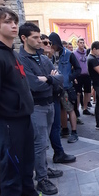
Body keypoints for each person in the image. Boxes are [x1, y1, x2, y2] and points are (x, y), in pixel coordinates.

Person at [0, 6, 57, 196]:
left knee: (25, 164)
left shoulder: (11, 52)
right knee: (11, 168)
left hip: (23, 118)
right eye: (6, 22)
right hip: (8, 122)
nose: (13, 25)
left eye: (14, 21)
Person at [18, 23, 64, 195]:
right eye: (35, 38)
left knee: (44, 142)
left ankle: (43, 169)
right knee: (40, 143)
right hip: (36, 106)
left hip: (50, 103)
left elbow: (60, 77)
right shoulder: (21, 59)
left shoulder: (43, 58)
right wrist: (49, 79)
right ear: (24, 38)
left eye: (40, 37)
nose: (40, 41)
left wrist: (48, 79)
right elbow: (33, 84)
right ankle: (42, 179)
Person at [40, 34, 76, 164]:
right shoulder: (38, 60)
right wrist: (52, 78)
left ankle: (58, 153)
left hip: (56, 94)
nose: (48, 45)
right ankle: (43, 164)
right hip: (44, 99)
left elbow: (59, 77)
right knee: (44, 131)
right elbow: (38, 81)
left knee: (55, 127)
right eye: (44, 43)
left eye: (49, 43)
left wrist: (54, 78)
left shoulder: (51, 59)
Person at [49, 32, 81, 143]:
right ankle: (64, 129)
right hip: (55, 87)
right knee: (61, 109)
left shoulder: (68, 54)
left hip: (66, 86)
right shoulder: (49, 55)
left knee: (69, 109)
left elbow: (78, 69)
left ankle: (74, 132)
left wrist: (70, 77)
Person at [74, 38, 92, 116]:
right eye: (80, 42)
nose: (82, 44)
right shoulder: (74, 53)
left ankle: (85, 108)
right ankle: (77, 109)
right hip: (79, 75)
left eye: (83, 42)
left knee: (87, 92)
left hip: (87, 74)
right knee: (78, 93)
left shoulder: (87, 52)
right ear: (77, 44)